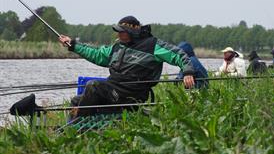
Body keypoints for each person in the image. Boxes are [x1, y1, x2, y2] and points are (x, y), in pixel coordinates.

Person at [59, 16, 195, 116]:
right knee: (76, 100)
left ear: (132, 32)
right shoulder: (118, 46)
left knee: (93, 86)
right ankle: (81, 129)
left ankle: (77, 125)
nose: (118, 34)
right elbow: (97, 54)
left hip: (130, 97)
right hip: (114, 92)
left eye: (121, 31)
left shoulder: (153, 45)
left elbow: (178, 54)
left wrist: (187, 72)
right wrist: (73, 45)